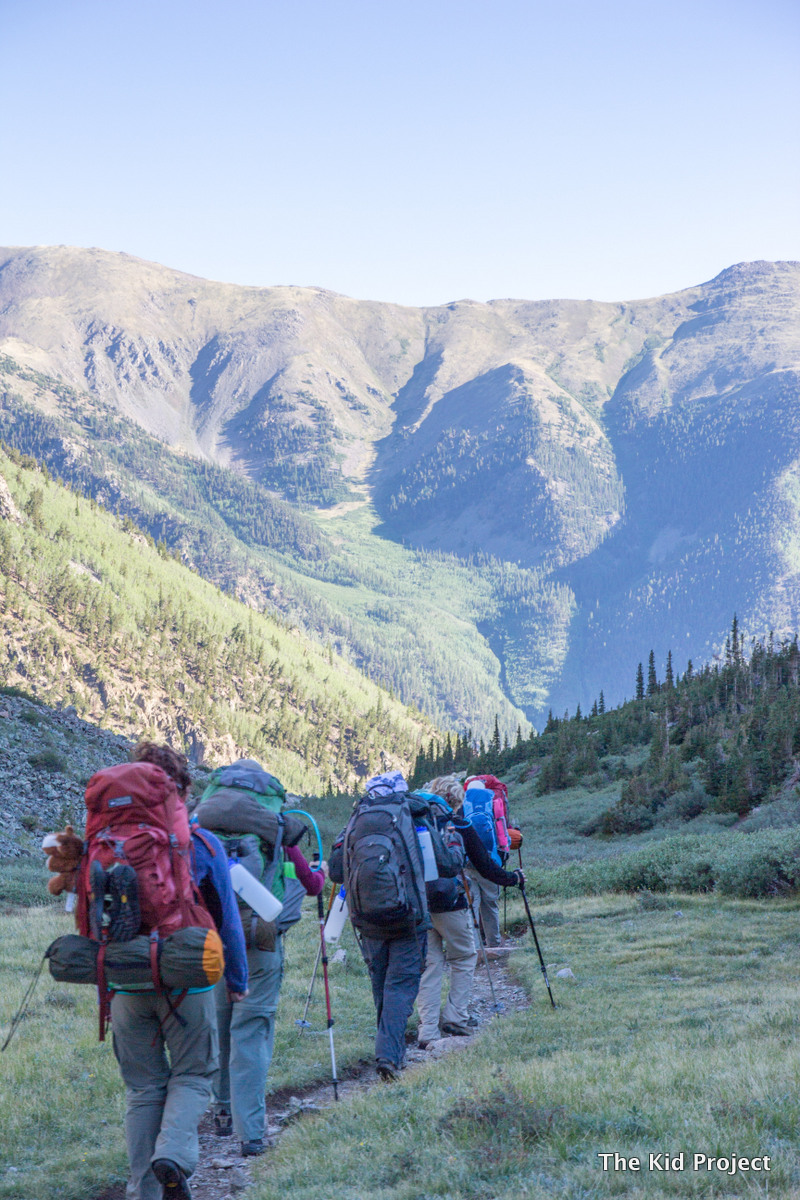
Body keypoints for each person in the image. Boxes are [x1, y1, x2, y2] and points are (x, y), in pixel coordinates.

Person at [110, 742, 248, 1200]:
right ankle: (173, 1155)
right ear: (179, 790)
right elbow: (227, 919)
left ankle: (142, 1190)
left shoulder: (109, 843)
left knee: (144, 1088)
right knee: (192, 1074)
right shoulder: (200, 843)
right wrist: (237, 982)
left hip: (127, 981)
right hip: (187, 979)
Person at [194, 759, 326, 1157]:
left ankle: (221, 1113)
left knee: (219, 1024)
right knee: (251, 1030)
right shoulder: (277, 830)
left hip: (210, 943)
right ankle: (251, 1134)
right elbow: (314, 885)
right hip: (261, 942)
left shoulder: (201, 830)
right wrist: (315, 871)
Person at [329, 770, 430, 1082]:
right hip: (408, 917)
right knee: (400, 986)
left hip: (367, 919)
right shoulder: (413, 816)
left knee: (381, 984)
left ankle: (390, 1049)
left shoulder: (355, 820)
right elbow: (444, 864)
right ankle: (389, 1054)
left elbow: (334, 872)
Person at [415, 775, 524, 1046]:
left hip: (420, 906)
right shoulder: (461, 824)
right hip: (452, 903)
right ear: (458, 800)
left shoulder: (415, 824)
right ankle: (455, 1016)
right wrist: (514, 878)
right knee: (464, 957)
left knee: (430, 966)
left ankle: (427, 1029)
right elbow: (487, 867)